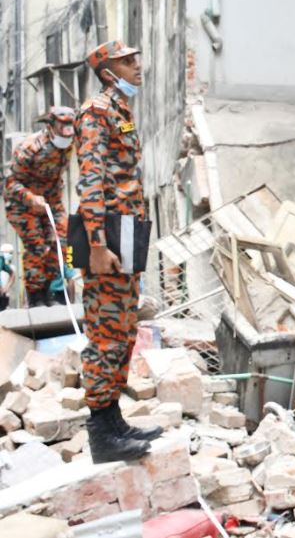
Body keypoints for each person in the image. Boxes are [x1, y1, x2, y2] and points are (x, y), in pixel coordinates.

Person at [77, 40, 160, 464]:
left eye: (135, 59)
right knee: (105, 334)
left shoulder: (121, 111)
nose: (136, 66)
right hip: (106, 237)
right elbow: (90, 180)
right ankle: (100, 433)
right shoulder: (95, 111)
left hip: (127, 232)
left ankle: (114, 421)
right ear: (108, 71)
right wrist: (96, 244)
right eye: (127, 61)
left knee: (124, 330)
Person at [3, 106, 76, 307]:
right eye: (63, 126)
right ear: (51, 126)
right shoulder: (30, 148)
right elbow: (10, 182)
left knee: (61, 241)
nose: (67, 130)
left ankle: (50, 290)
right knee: (37, 245)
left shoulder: (69, 144)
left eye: (70, 125)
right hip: (21, 203)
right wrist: (31, 198)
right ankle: (36, 296)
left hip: (51, 201)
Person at [0, 243, 14, 311]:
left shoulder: (2, 260)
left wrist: (7, 287)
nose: (10, 255)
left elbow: (12, 274)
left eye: (11, 253)